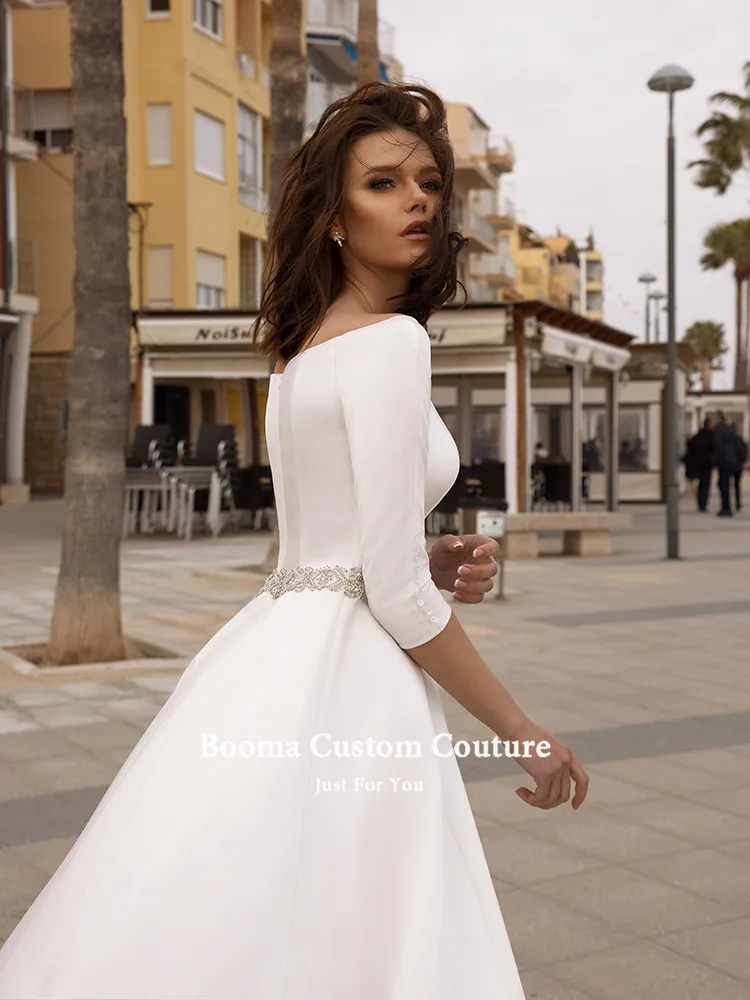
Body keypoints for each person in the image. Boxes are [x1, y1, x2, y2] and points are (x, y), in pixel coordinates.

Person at [0, 83, 589, 999]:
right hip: (354, 682)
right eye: (385, 184)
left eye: (428, 181)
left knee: (242, 905)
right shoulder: (392, 345)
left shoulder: (304, 347)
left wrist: (417, 555)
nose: (420, 200)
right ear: (337, 218)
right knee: (359, 929)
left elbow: (325, 549)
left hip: (270, 649)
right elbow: (389, 592)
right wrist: (522, 730)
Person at [712, 411, 741, 517]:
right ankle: (728, 506)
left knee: (723, 484)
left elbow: (716, 444)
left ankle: (726, 508)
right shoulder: (730, 429)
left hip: (723, 459)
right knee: (727, 483)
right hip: (732, 459)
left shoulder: (718, 429)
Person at [686, 417, 714, 512]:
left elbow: (690, 446)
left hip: (697, 463)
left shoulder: (697, 436)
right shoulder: (712, 436)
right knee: (705, 484)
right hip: (708, 463)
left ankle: (699, 503)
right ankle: (703, 504)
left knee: (700, 483)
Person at [731, 423, 748, 511]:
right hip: (738, 465)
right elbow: (744, 451)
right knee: (737, 484)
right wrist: (743, 461)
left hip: (729, 464)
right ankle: (737, 502)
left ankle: (728, 503)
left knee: (726, 484)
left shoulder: (728, 441)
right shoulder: (740, 440)